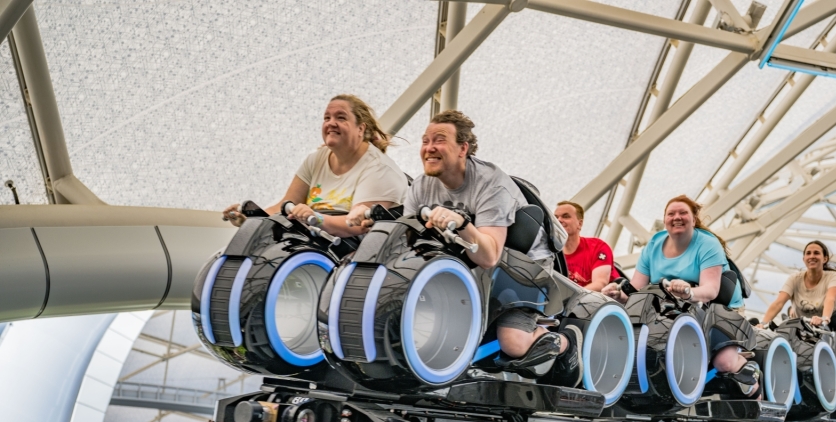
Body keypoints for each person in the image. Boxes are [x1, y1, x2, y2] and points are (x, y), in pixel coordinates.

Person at [405, 110, 582, 387]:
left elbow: (489, 256)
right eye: (425, 140)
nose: (429, 148)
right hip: (469, 261)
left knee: (514, 343)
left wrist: (462, 223)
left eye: (439, 140)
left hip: (524, 265)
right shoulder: (421, 185)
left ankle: (566, 342)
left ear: (463, 148)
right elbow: (407, 238)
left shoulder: (490, 183)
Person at [602, 195, 758, 396]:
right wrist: (619, 295)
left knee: (724, 362)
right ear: (665, 219)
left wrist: (688, 292)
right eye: (671, 214)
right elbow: (636, 290)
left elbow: (710, 291)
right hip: (675, 308)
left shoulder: (708, 244)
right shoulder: (654, 244)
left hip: (719, 308)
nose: (677, 217)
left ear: (693, 219)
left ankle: (751, 377)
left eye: (683, 213)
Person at [222, 94, 407, 238]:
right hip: (310, 242)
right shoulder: (315, 160)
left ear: (361, 129)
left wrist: (316, 219)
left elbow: (356, 225)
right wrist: (251, 220)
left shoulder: (379, 169)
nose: (331, 123)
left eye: (341, 117)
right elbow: (285, 205)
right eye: (326, 118)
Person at [758, 240, 836, 331]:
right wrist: (763, 324)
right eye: (808, 253)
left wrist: (824, 319)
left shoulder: (833, 276)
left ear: (825, 259)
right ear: (804, 259)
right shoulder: (794, 278)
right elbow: (778, 303)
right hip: (799, 330)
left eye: (816, 253)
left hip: (827, 330)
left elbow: (830, 299)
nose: (812, 256)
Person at [554, 201, 614, 292]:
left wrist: (571, 297)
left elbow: (600, 284)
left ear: (580, 223)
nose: (559, 220)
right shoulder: (550, 252)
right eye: (555, 217)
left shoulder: (597, 247)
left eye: (566, 216)